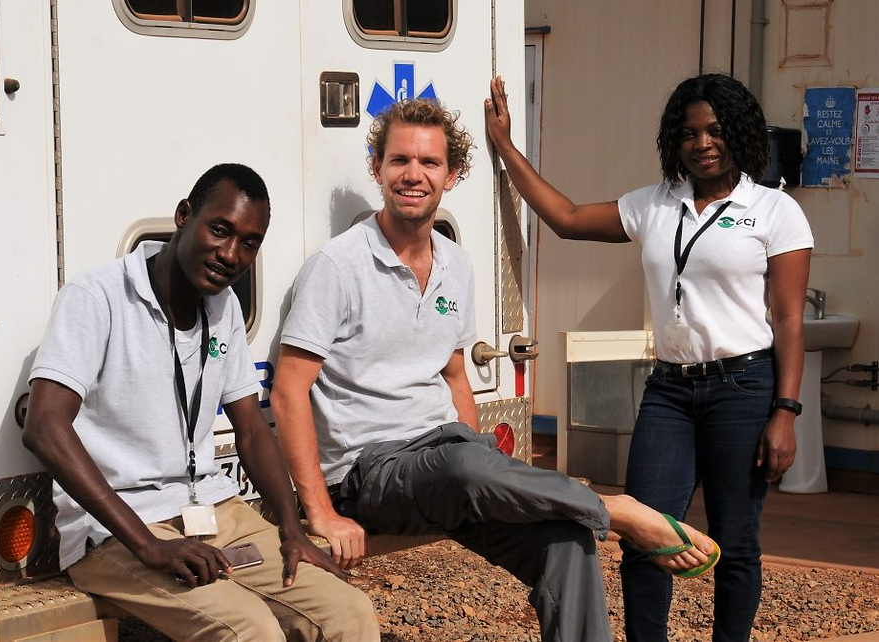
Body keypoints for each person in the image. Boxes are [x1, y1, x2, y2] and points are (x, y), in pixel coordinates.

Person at [271, 98, 719, 642]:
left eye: (429, 162)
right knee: (467, 467)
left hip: (450, 460)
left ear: (452, 175)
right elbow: (289, 393)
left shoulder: (455, 264)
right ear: (377, 168)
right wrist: (321, 512)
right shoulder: (336, 267)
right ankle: (615, 509)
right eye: (399, 160)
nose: (413, 174)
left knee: (566, 541)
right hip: (372, 472)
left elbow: (454, 376)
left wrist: (480, 459)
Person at [485, 74, 813, 642]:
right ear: (673, 141)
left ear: (738, 133)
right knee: (644, 536)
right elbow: (566, 218)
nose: (702, 143)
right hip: (669, 391)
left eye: (715, 131)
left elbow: (788, 319)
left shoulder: (774, 210)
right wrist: (507, 146)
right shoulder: (656, 204)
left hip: (743, 388)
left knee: (736, 542)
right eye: (688, 133)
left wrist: (785, 412)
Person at [23, 163, 379, 642]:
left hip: (214, 513)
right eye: (220, 230)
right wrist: (148, 545)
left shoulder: (223, 305)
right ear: (183, 215)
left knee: (349, 611)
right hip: (118, 529)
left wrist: (291, 529)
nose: (230, 255)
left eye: (249, 243)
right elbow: (45, 428)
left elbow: (251, 429)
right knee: (250, 629)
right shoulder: (97, 297)